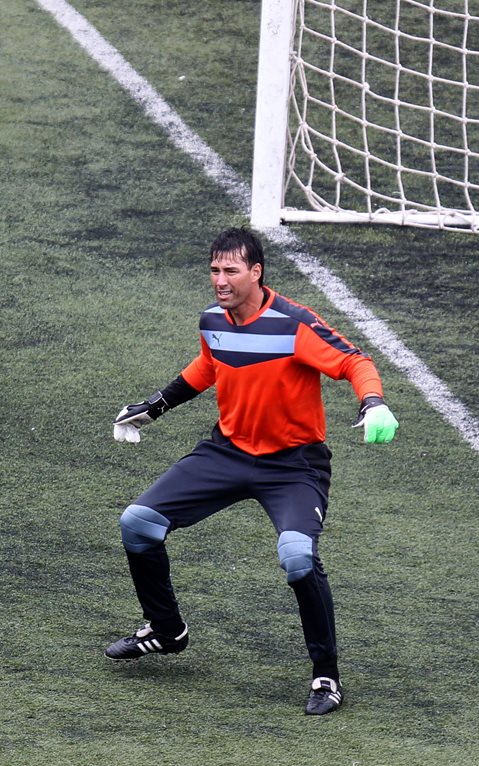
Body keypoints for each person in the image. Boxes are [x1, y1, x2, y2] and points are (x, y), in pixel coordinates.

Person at [105, 227, 399, 716]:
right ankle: (165, 629)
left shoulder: (294, 323)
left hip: (293, 465)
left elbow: (354, 361)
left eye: (231, 271)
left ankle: (326, 675)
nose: (220, 280)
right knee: (138, 523)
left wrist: (373, 402)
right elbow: (208, 365)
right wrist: (155, 406)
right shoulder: (213, 320)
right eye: (215, 270)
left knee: (298, 556)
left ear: (256, 272)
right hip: (227, 453)